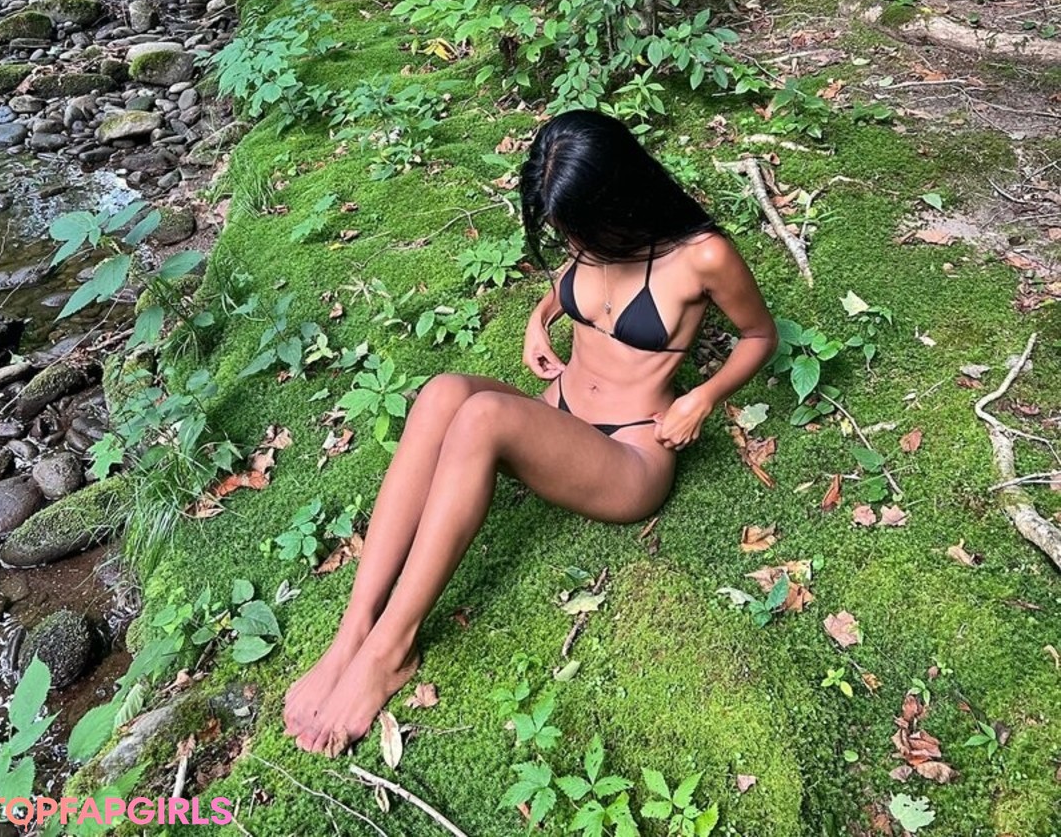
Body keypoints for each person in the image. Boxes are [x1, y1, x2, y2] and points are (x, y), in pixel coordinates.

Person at [284, 109, 779, 756]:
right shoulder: (585, 225)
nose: (573, 240)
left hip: (629, 450)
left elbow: (759, 335)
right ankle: (354, 628)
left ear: (620, 195)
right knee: (442, 392)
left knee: (483, 416)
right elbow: (572, 288)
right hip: (561, 412)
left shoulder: (703, 255)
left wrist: (703, 397)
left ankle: (390, 649)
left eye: (579, 226)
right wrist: (539, 318)